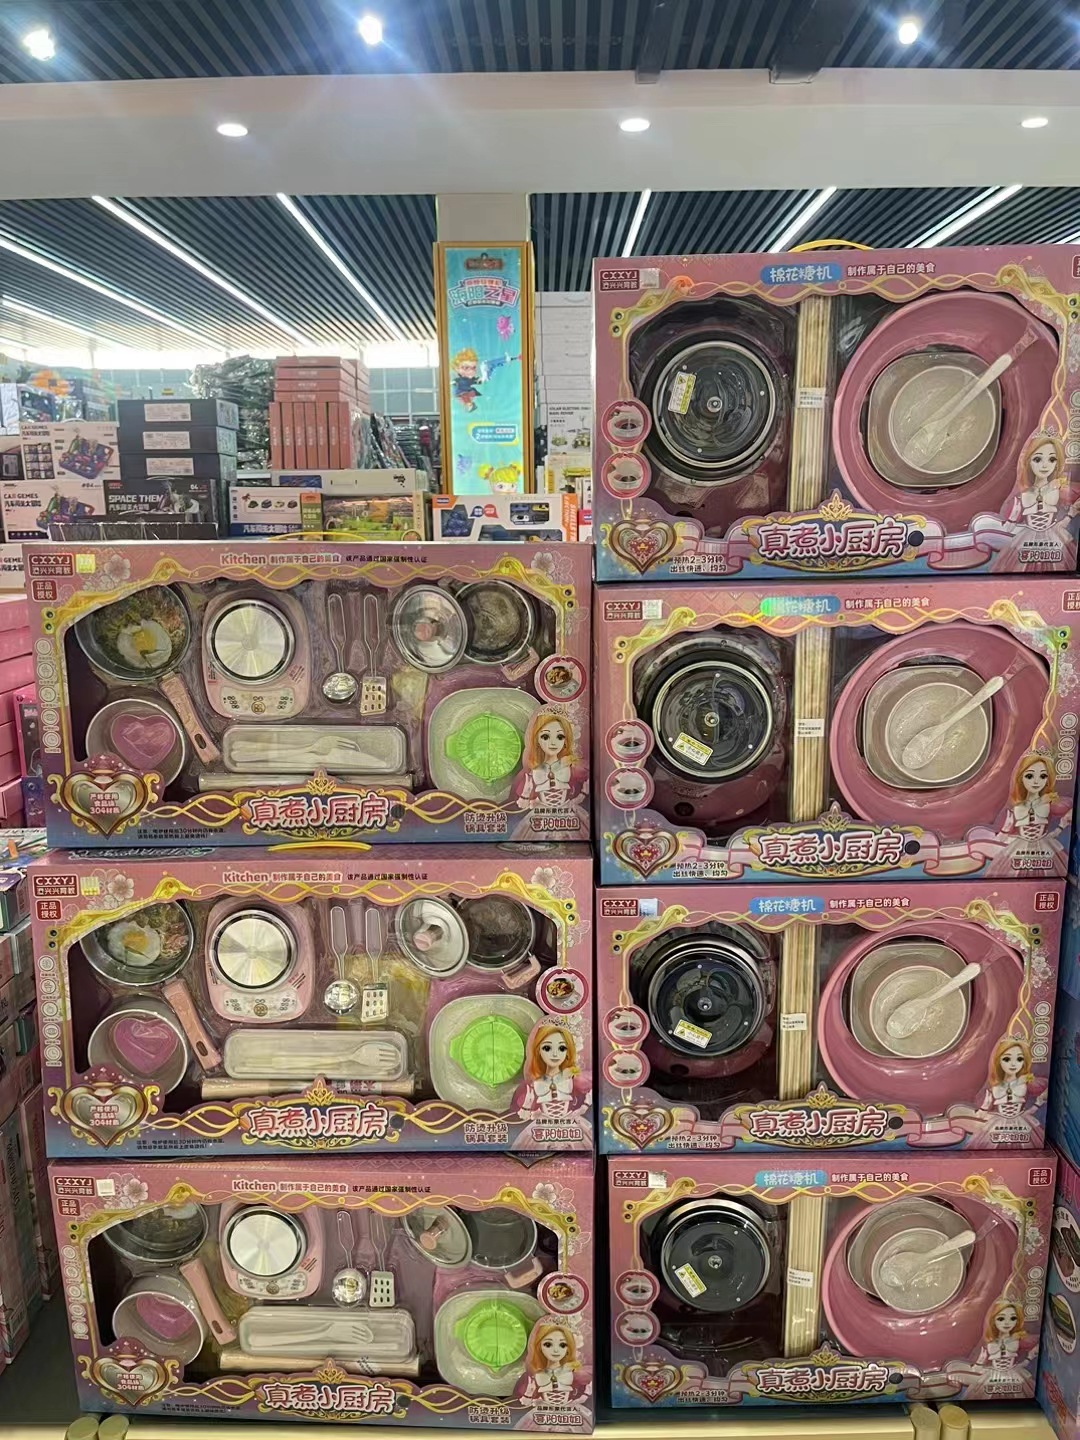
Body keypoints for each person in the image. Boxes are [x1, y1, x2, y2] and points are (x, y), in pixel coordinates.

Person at [992, 435, 1079, 572]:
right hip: (1026, 539)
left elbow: (1075, 504)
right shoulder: (1021, 497)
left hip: (1055, 538)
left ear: (1058, 463)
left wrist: (1067, 518)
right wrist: (1013, 515)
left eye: (1052, 459)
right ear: (1028, 462)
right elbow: (1008, 528)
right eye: (1037, 459)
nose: (1044, 465)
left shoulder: (1061, 491)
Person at [988, 752, 1066, 873]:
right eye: (1029, 776)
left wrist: (1061, 827)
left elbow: (1067, 808)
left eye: (1043, 776)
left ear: (1048, 779)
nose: (1036, 781)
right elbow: (1001, 836)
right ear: (1021, 777)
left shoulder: (1049, 803)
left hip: (1044, 847)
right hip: (1019, 848)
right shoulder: (1017, 805)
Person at [518, 1025, 580, 1119]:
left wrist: (584, 1107)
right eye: (547, 1048)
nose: (555, 1054)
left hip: (570, 1121)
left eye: (562, 1048)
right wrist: (527, 1106)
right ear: (538, 1050)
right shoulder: (535, 1080)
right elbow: (524, 1113)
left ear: (568, 1051)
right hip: (543, 1122)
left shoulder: (572, 1076)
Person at [518, 711, 577, 809]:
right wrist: (526, 795)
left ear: (566, 740)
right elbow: (523, 802)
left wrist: (582, 794)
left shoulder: (570, 764)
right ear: (537, 739)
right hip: (541, 811)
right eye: (545, 737)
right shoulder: (534, 767)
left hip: (567, 810)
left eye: (560, 737)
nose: (553, 743)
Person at [521, 1323, 581, 1404]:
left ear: (568, 1348)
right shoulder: (533, 1375)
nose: (556, 1350)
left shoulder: (574, 1372)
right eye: (548, 1344)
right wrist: (529, 1393)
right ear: (539, 1347)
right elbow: (524, 1402)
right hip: (541, 1409)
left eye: (562, 1345)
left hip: (572, 1409)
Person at [983, 1037, 1033, 1118]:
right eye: (1007, 1059)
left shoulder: (1026, 1080)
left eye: (1019, 1059)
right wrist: (984, 1107)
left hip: (1021, 1119)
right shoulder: (995, 1083)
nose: (1013, 1064)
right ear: (999, 1060)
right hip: (998, 1120)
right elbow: (984, 1109)